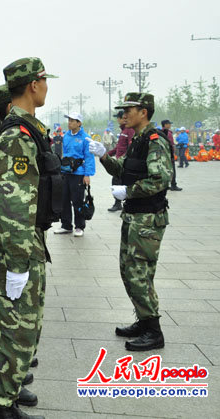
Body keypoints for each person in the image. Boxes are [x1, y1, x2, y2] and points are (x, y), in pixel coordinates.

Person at [0, 57, 59, 419]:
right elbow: (13, 205)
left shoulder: (28, 129)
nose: (46, 87)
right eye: (44, 81)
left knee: (16, 331)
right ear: (33, 85)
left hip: (26, 243)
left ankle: (4, 399)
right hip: (17, 247)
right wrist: (18, 262)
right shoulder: (17, 136)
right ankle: (2, 406)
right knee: (16, 332)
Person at [88, 92, 172, 352]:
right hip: (135, 216)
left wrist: (129, 191)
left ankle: (154, 331)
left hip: (147, 218)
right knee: (129, 271)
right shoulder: (138, 140)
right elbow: (121, 168)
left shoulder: (154, 141)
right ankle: (144, 321)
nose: (124, 114)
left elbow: (161, 178)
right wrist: (103, 156)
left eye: (129, 109)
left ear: (143, 112)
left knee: (139, 274)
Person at [53, 112, 95, 237]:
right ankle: (66, 225)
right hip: (66, 172)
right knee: (64, 199)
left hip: (79, 173)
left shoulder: (85, 138)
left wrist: (87, 174)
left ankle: (79, 226)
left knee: (77, 200)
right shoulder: (66, 136)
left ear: (79, 123)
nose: (69, 122)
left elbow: (89, 157)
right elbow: (64, 154)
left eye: (72, 120)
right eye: (69, 120)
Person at [107, 111, 135, 212]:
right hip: (119, 162)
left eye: (119, 118)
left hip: (124, 163)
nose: (118, 120)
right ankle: (118, 203)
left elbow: (130, 148)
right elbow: (119, 148)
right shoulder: (123, 131)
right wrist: (106, 155)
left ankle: (120, 203)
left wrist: (123, 160)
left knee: (118, 182)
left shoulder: (129, 130)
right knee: (116, 182)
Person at [161, 120, 182, 191]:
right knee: (172, 170)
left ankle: (165, 185)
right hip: (169, 154)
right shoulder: (168, 133)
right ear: (165, 125)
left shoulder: (161, 132)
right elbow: (170, 144)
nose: (170, 125)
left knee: (165, 170)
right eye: (169, 124)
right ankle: (173, 185)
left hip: (164, 154)